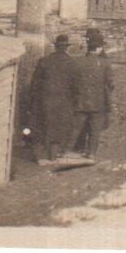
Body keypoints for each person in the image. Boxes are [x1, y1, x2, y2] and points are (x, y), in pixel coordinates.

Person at [26, 33, 79, 162]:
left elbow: (34, 83)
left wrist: (33, 99)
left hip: (43, 100)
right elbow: (76, 87)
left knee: (40, 127)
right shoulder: (72, 63)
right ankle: (52, 156)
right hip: (63, 102)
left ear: (56, 47)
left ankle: (38, 156)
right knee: (58, 128)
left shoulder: (44, 61)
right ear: (66, 48)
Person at [73, 28, 113, 159]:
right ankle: (90, 152)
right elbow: (110, 83)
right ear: (99, 47)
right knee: (95, 128)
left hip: (81, 99)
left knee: (77, 126)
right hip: (98, 100)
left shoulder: (78, 61)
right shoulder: (104, 61)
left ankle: (67, 150)